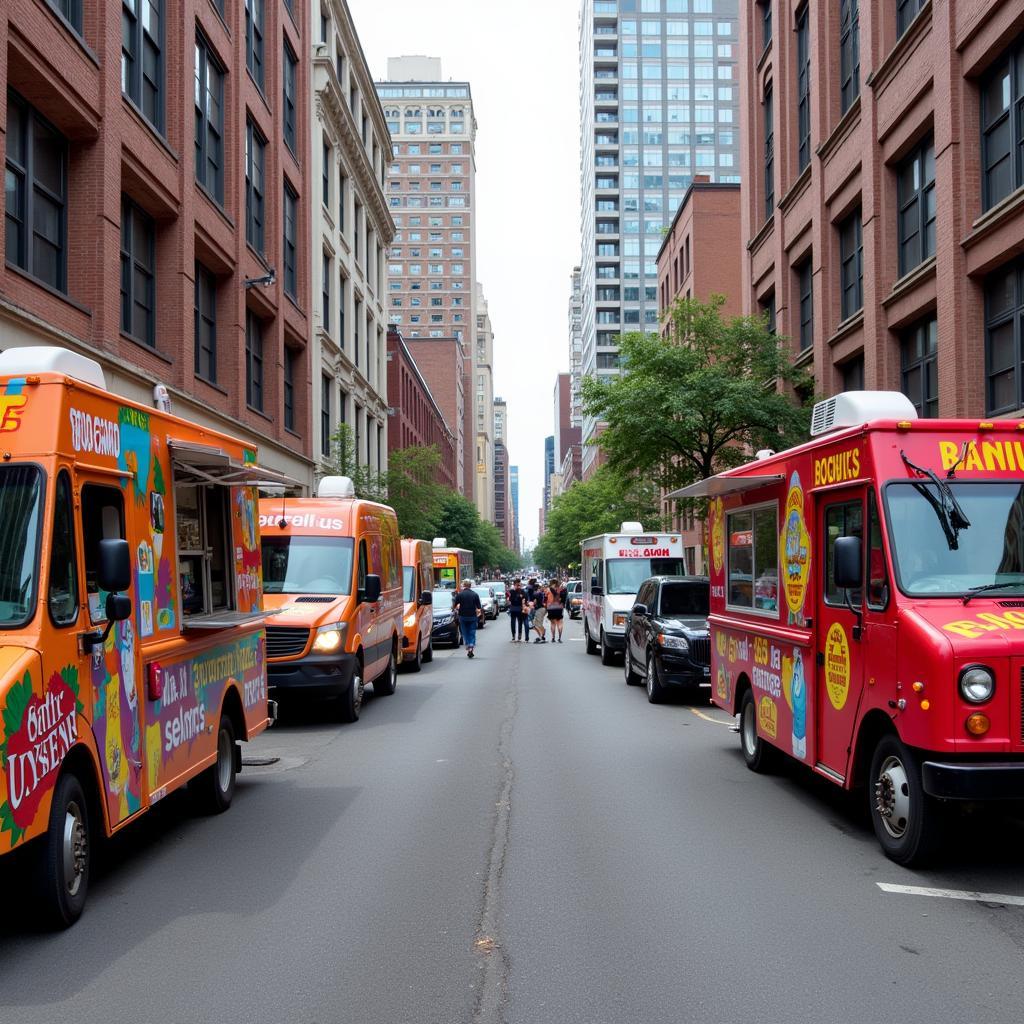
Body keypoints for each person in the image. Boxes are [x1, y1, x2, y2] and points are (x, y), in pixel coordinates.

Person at [452, 579, 483, 658]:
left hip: (463, 616)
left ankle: (467, 644)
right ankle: (471, 646)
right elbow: (479, 607)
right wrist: (478, 612)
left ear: (464, 586)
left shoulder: (460, 594)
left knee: (464, 632)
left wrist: (454, 609)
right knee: (472, 631)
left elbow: (455, 605)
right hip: (472, 616)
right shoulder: (475, 594)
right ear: (470, 586)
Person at [545, 578, 567, 643]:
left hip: (551, 608)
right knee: (560, 622)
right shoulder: (560, 590)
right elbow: (563, 598)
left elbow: (545, 599)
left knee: (553, 623)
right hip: (559, 607)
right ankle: (559, 638)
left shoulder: (548, 590)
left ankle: (553, 638)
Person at [530, 579, 548, 643]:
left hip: (540, 609)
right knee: (535, 624)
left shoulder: (537, 593)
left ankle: (542, 636)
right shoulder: (540, 593)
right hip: (540, 609)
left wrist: (531, 604)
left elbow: (534, 602)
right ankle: (541, 635)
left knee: (539, 624)